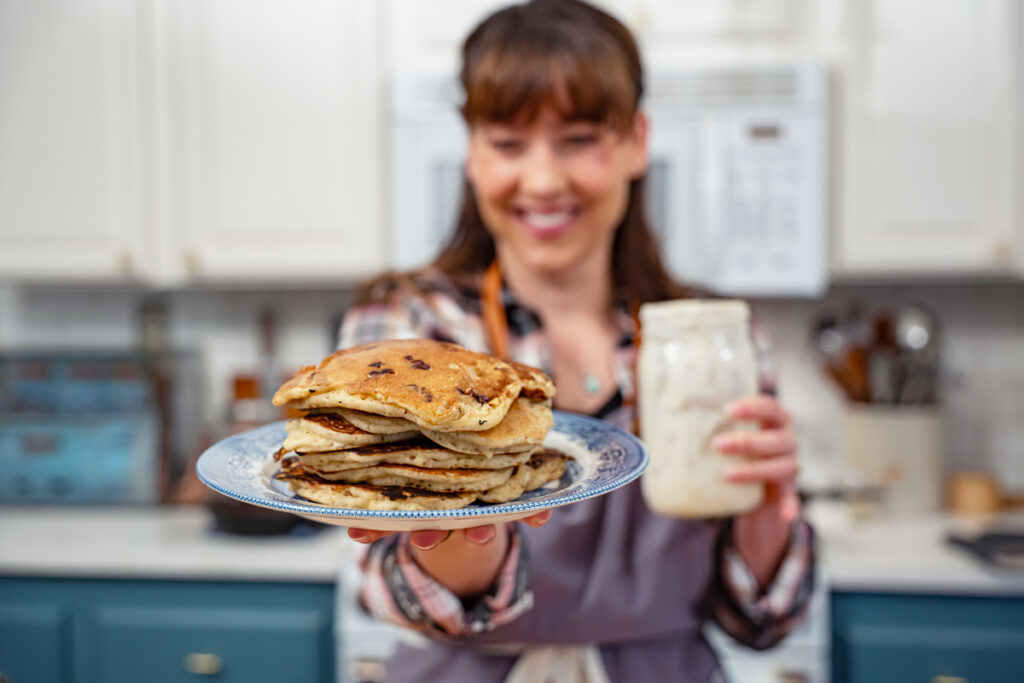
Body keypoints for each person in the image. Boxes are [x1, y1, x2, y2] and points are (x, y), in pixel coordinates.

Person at [339, 1, 814, 681]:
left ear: (636, 142)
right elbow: (410, 595)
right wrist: (453, 523)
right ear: (472, 152)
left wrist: (766, 500)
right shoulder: (411, 334)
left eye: (579, 138)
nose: (543, 180)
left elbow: (762, 619)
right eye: (508, 143)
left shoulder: (709, 336)